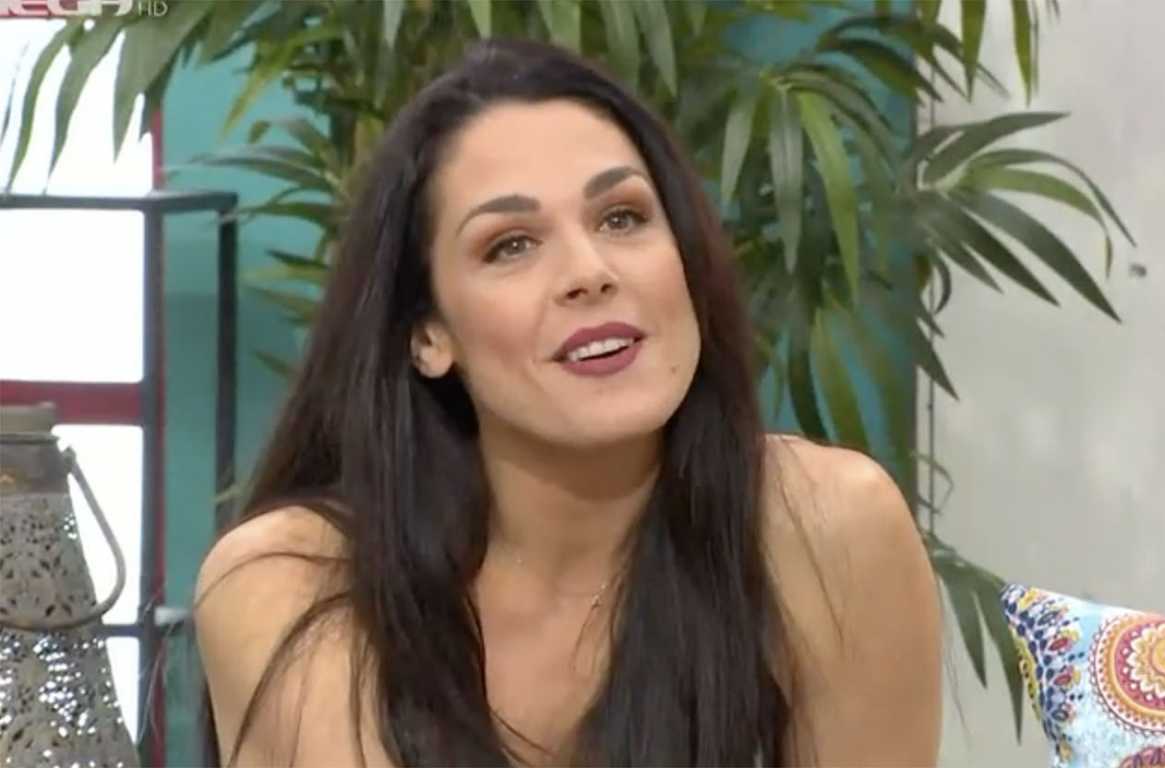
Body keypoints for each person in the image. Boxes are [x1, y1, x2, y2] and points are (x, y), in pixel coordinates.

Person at [193, 38, 941, 767]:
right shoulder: (292, 579)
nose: (590, 270)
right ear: (427, 334)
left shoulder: (827, 529)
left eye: (623, 218)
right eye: (511, 245)